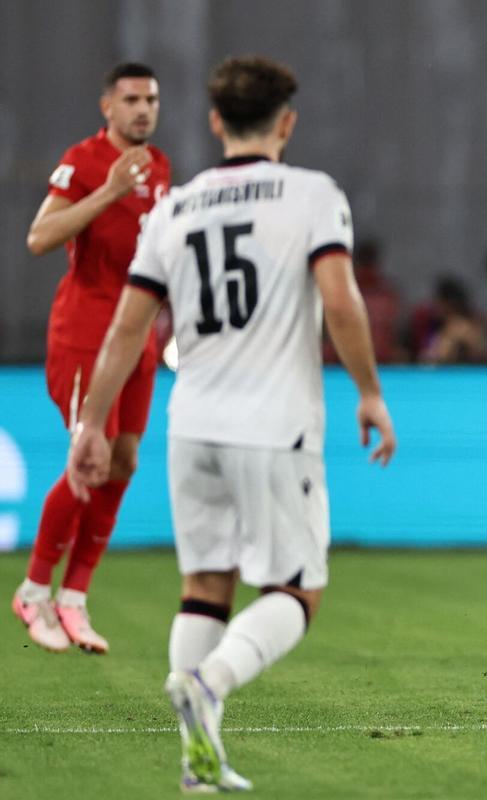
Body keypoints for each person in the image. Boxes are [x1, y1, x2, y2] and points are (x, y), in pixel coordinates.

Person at [65, 56, 396, 791]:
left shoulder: (173, 208)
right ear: (287, 121)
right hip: (274, 427)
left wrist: (91, 422)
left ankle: (196, 759)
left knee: (204, 585)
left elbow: (127, 329)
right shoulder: (311, 195)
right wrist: (369, 391)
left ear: (215, 121)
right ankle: (210, 683)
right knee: (297, 592)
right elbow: (340, 303)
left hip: (192, 427)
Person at [12, 63, 170, 654]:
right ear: (107, 106)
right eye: (131, 99)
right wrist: (107, 192)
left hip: (141, 335)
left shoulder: (159, 168)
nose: (143, 110)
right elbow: (38, 238)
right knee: (89, 458)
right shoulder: (83, 160)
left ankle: (73, 598)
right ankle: (32, 591)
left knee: (124, 460)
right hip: (86, 333)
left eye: (151, 99)